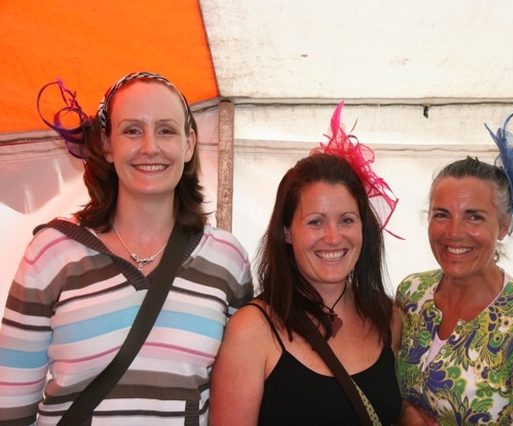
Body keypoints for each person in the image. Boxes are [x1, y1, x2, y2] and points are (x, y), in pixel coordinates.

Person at [0, 72, 253, 425]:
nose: (150, 146)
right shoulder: (51, 253)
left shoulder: (227, 259)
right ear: (107, 144)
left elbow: (238, 401)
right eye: (132, 130)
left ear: (189, 143)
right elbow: (9, 410)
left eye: (166, 130)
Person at [209, 102, 403, 426]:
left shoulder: (389, 318)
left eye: (346, 220)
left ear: (364, 228)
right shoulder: (252, 330)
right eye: (315, 222)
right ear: (286, 231)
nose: (333, 237)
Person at [395, 102, 513, 425]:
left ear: (504, 225)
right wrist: (404, 411)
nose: (454, 233)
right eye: (442, 215)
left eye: (474, 217)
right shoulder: (412, 294)